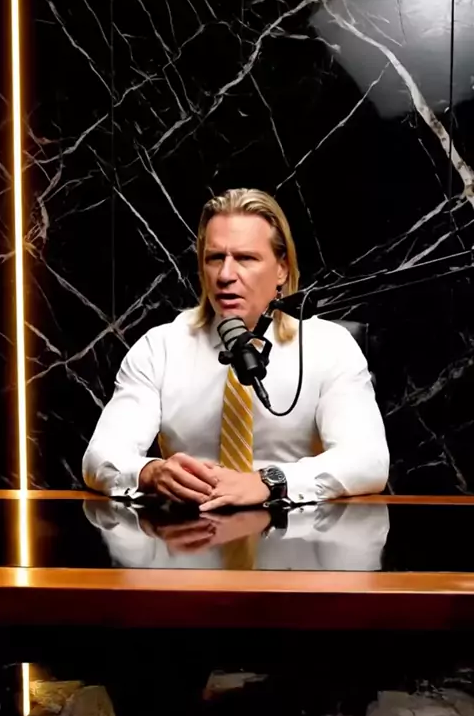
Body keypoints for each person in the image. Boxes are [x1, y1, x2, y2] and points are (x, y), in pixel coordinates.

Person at [83, 188, 389, 507]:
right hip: (188, 528)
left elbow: (368, 460)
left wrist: (271, 481)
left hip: (295, 529)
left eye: (245, 258)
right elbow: (100, 457)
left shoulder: (330, 347)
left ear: (282, 269)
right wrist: (150, 472)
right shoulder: (159, 348)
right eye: (215, 258)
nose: (226, 275)